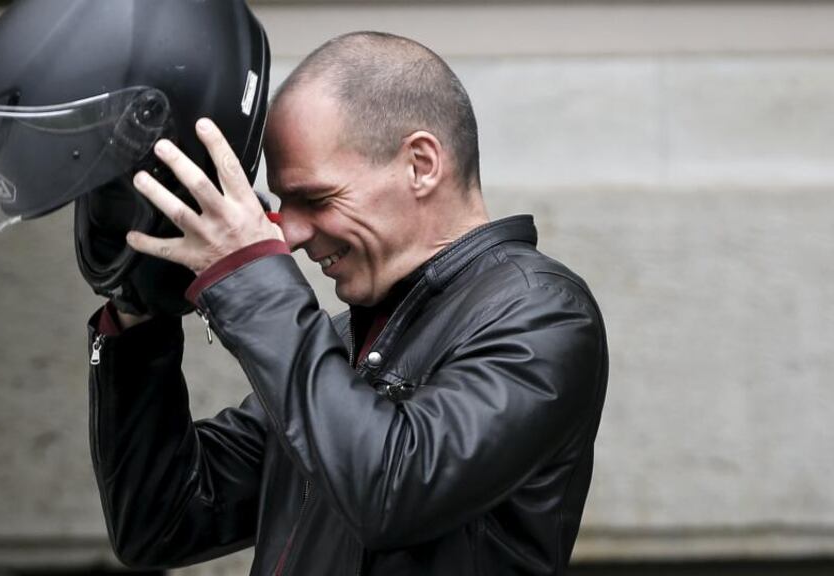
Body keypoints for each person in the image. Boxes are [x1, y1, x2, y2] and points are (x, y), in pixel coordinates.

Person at [88, 32, 608, 576]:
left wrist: (248, 277)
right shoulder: (341, 343)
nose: (287, 232)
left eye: (315, 198)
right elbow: (163, 522)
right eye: (282, 203)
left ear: (421, 164)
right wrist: (139, 311)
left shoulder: (540, 311)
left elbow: (394, 491)